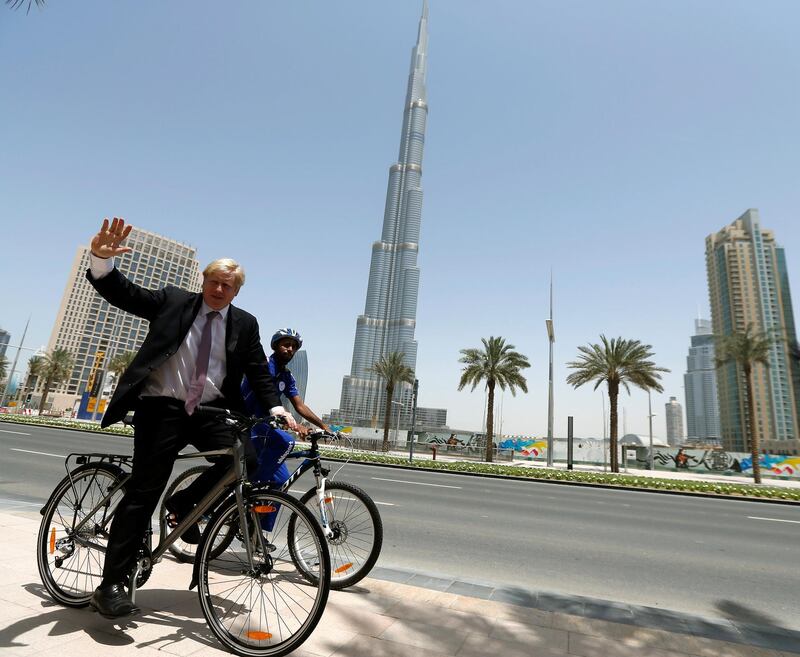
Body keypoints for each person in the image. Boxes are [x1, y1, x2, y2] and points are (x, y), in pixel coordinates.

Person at [85, 217, 297, 618]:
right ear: (204, 280)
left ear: (236, 291)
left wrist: (274, 408)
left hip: (210, 411)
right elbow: (125, 293)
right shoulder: (173, 302)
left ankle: (184, 502)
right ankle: (110, 583)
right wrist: (101, 260)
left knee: (246, 461)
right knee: (145, 491)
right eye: (214, 281)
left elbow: (257, 371)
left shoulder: (245, 324)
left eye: (228, 285)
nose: (219, 289)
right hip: (162, 408)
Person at [241, 328, 329, 492]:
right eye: (286, 345)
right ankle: (252, 489)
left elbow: (300, 406)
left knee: (281, 485)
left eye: (294, 347)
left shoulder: (287, 376)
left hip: (266, 426)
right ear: (275, 346)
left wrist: (324, 426)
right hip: (250, 423)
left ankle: (260, 512)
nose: (290, 349)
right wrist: (294, 425)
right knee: (286, 441)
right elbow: (264, 399)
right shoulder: (264, 364)